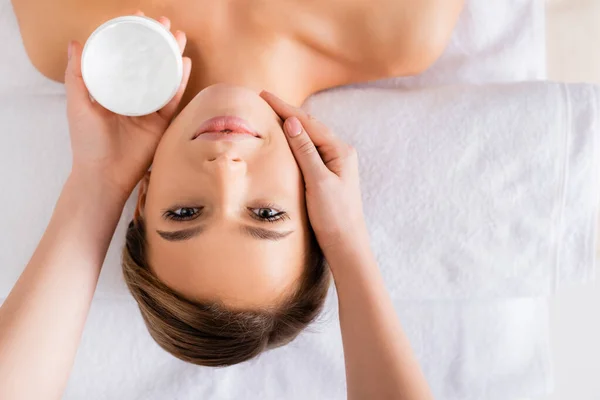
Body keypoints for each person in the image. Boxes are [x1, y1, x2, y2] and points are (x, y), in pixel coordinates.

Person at [1, 2, 465, 398]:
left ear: (142, 198)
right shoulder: (403, 24)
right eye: (266, 213)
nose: (225, 171)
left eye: (185, 213)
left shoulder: (65, 31)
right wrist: (348, 243)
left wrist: (97, 183)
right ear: (315, 204)